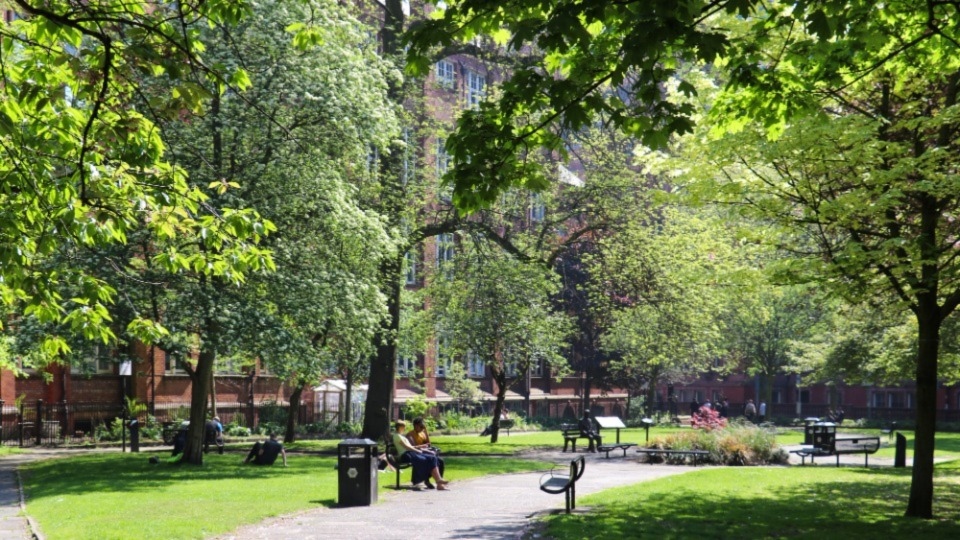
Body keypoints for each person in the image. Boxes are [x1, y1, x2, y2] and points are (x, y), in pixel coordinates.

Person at [393, 420, 449, 490]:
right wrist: (418, 451)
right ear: (400, 427)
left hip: (411, 453)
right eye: (404, 427)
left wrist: (420, 447)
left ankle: (439, 482)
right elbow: (407, 447)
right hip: (406, 455)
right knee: (426, 460)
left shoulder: (401, 436)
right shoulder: (397, 436)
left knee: (433, 458)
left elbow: (410, 446)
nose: (405, 428)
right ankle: (438, 481)